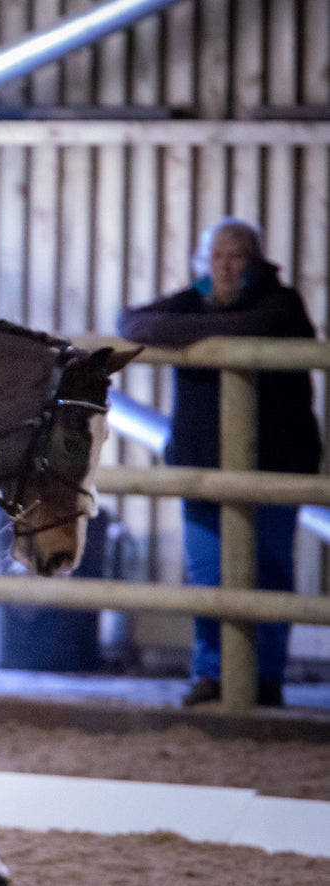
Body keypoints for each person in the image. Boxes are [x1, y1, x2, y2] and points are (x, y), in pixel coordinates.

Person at [117, 216, 322, 708]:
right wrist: (199, 331)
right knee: (208, 573)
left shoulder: (282, 303)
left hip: (274, 465)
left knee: (268, 573)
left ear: (255, 263)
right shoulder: (194, 297)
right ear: (202, 263)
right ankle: (212, 674)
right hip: (201, 465)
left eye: (235, 258)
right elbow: (131, 322)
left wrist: (185, 336)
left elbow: (253, 326)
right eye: (215, 258)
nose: (224, 269)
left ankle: (264, 678)